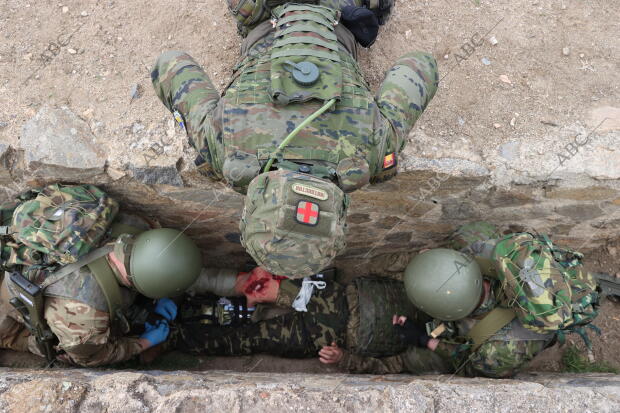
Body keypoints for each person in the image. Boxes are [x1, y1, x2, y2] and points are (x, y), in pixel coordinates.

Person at [151, 0, 438, 278]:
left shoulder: (370, 154)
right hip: (265, 16)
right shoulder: (224, 148)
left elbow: (420, 65)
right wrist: (206, 144)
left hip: (341, 14)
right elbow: (170, 64)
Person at [319, 222, 601, 378]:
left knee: (417, 359)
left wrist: (426, 340)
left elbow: (464, 363)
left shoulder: (501, 350)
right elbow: (424, 262)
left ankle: (357, 362)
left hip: (505, 338)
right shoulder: (476, 239)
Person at [0, 216, 203, 367]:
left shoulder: (132, 225)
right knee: (40, 343)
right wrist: (142, 343)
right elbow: (89, 356)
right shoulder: (85, 315)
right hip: (11, 301)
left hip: (14, 251)